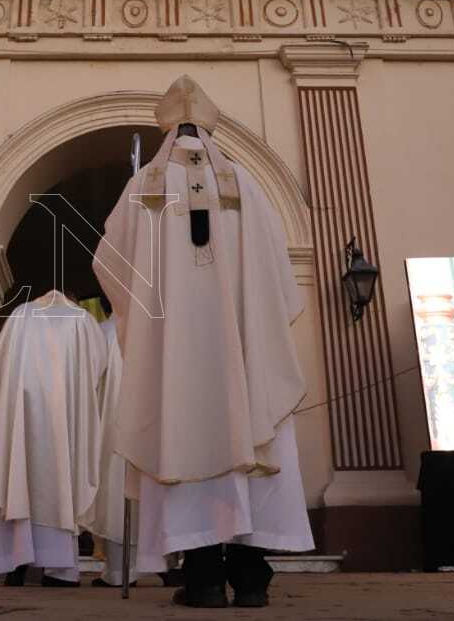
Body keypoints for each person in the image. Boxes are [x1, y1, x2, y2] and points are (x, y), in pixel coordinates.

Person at [93, 75, 314, 609]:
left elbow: (110, 268)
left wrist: (151, 328)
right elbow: (277, 278)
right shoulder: (246, 184)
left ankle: (204, 578)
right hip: (243, 358)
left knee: (179, 430)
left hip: (175, 362)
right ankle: (252, 575)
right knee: (250, 432)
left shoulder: (143, 186)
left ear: (167, 128)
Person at [0, 289, 107, 587]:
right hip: (64, 418)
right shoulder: (82, 321)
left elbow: (2, 365)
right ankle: (59, 570)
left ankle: (16, 563)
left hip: (23, 415)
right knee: (61, 483)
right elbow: (97, 366)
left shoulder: (21, 316)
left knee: (18, 477)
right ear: (73, 300)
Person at [83, 305, 137, 588]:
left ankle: (118, 571)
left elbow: (88, 380)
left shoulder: (102, 332)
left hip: (113, 427)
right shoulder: (160, 327)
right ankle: (166, 564)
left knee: (116, 489)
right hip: (149, 426)